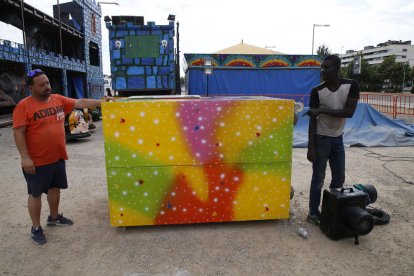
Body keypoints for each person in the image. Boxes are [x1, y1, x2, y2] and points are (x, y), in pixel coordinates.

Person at [13, 69, 113, 245]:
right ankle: (36, 227)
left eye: (47, 83)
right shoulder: (23, 106)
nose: (47, 87)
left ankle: (54, 216)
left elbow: (80, 101)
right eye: (42, 85)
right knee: (35, 193)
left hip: (57, 157)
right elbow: (19, 133)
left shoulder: (57, 99)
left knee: (55, 188)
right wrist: (25, 157)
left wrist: (102, 102)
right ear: (31, 88)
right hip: (36, 160)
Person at [305, 55, 359, 225]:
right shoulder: (317, 91)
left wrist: (321, 110)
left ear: (337, 69)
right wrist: (311, 147)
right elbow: (312, 121)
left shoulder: (351, 86)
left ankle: (332, 209)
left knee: (339, 179)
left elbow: (349, 112)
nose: (323, 70)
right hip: (321, 138)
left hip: (338, 138)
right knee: (318, 178)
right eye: (322, 67)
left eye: (327, 67)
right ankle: (313, 213)